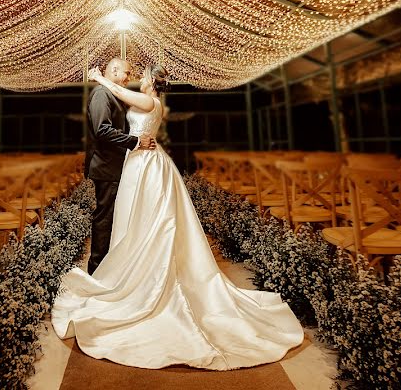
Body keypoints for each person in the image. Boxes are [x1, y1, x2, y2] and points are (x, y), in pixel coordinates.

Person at [51, 62, 304, 370]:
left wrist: (98, 78)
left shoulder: (150, 101)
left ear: (153, 84)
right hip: (137, 163)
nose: (136, 79)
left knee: (152, 222)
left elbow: (118, 92)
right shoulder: (145, 100)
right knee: (132, 220)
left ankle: (148, 277)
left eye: (142, 76)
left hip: (145, 165)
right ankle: (128, 267)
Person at [84, 57, 156, 275]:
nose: (129, 77)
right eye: (126, 72)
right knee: (105, 218)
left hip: (114, 166)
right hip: (106, 167)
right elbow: (102, 130)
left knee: (113, 217)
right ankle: (96, 272)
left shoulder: (110, 94)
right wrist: (134, 141)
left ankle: (110, 269)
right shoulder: (100, 94)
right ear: (113, 70)